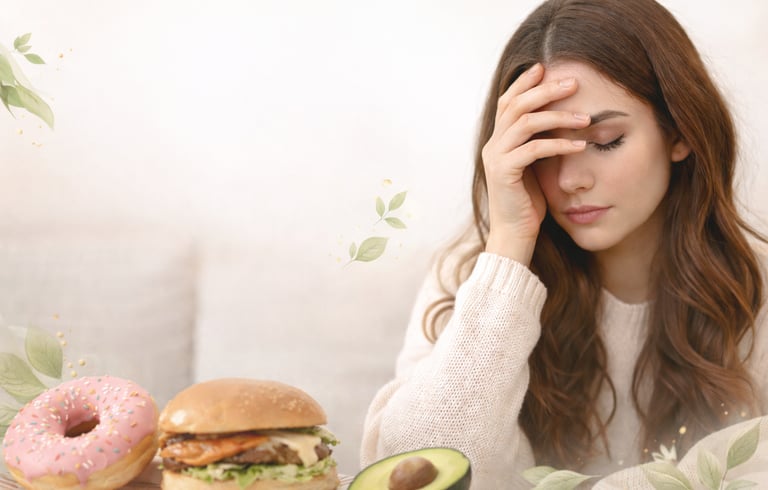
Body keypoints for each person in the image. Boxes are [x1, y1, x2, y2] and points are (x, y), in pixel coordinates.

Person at [359, 0, 768, 488]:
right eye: (544, 146)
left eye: (607, 140)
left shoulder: (754, 291)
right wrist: (509, 246)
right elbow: (420, 470)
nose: (571, 179)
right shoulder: (471, 275)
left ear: (678, 132)